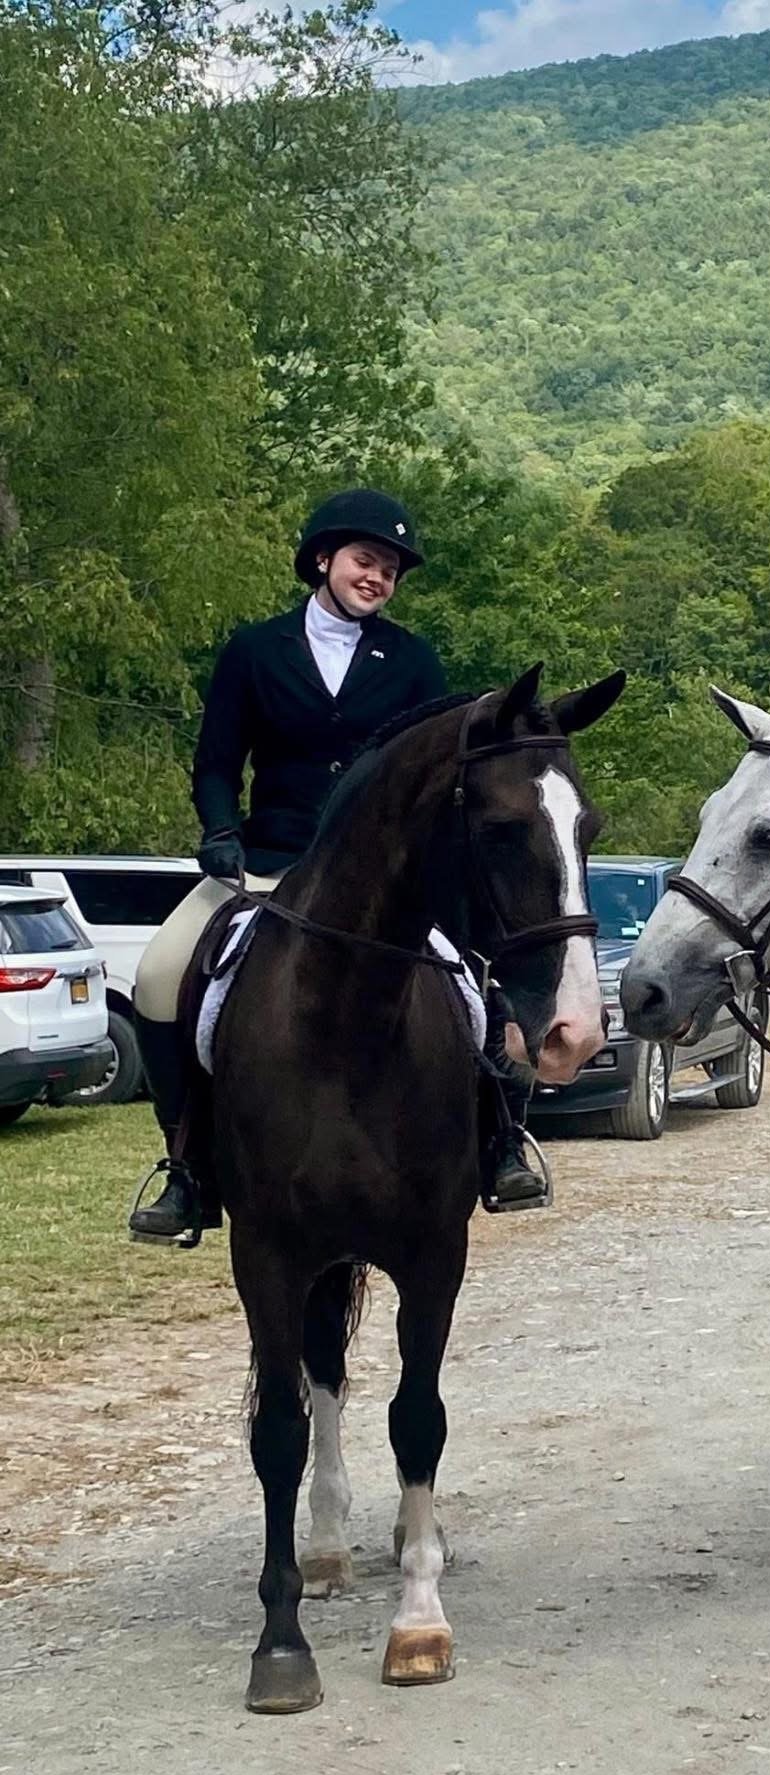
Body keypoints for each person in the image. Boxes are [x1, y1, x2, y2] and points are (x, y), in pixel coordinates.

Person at [130, 488, 546, 1244]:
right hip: (268, 865)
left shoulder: (414, 660)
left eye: (390, 569)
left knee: (479, 987)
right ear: (323, 559)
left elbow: (434, 773)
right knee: (160, 976)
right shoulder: (256, 650)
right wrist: (220, 827)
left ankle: (500, 1145)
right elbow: (217, 761)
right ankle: (186, 1167)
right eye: (365, 560)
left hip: (385, 878)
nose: (378, 577)